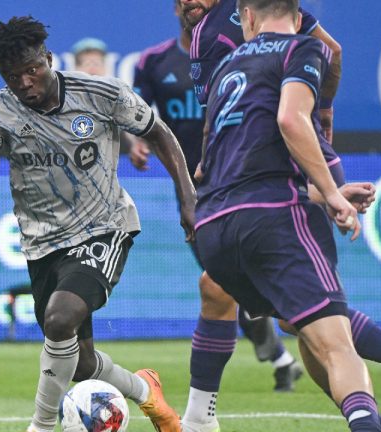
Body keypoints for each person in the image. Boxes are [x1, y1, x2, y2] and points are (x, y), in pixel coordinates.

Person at [0, 16, 196, 432]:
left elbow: (160, 134)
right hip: (43, 243)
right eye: (15, 77)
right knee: (80, 362)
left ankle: (42, 425)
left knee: (59, 318)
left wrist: (188, 197)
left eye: (34, 70)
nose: (27, 82)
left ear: (49, 58)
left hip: (105, 226)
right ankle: (145, 392)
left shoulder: (101, 92)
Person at [180, 0, 381, 431]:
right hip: (272, 204)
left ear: (246, 16)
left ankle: (198, 418)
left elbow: (206, 164)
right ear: (298, 16)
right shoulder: (303, 49)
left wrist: (324, 190)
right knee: (324, 332)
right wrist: (331, 192)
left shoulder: (224, 62)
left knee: (282, 311)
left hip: (216, 217)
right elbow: (293, 117)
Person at [130, 0, 304, 394]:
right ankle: (282, 354)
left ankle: (282, 355)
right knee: (222, 279)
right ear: (176, 10)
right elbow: (138, 114)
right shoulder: (155, 61)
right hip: (192, 185)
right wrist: (134, 141)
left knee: (226, 279)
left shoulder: (237, 46)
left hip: (240, 176)